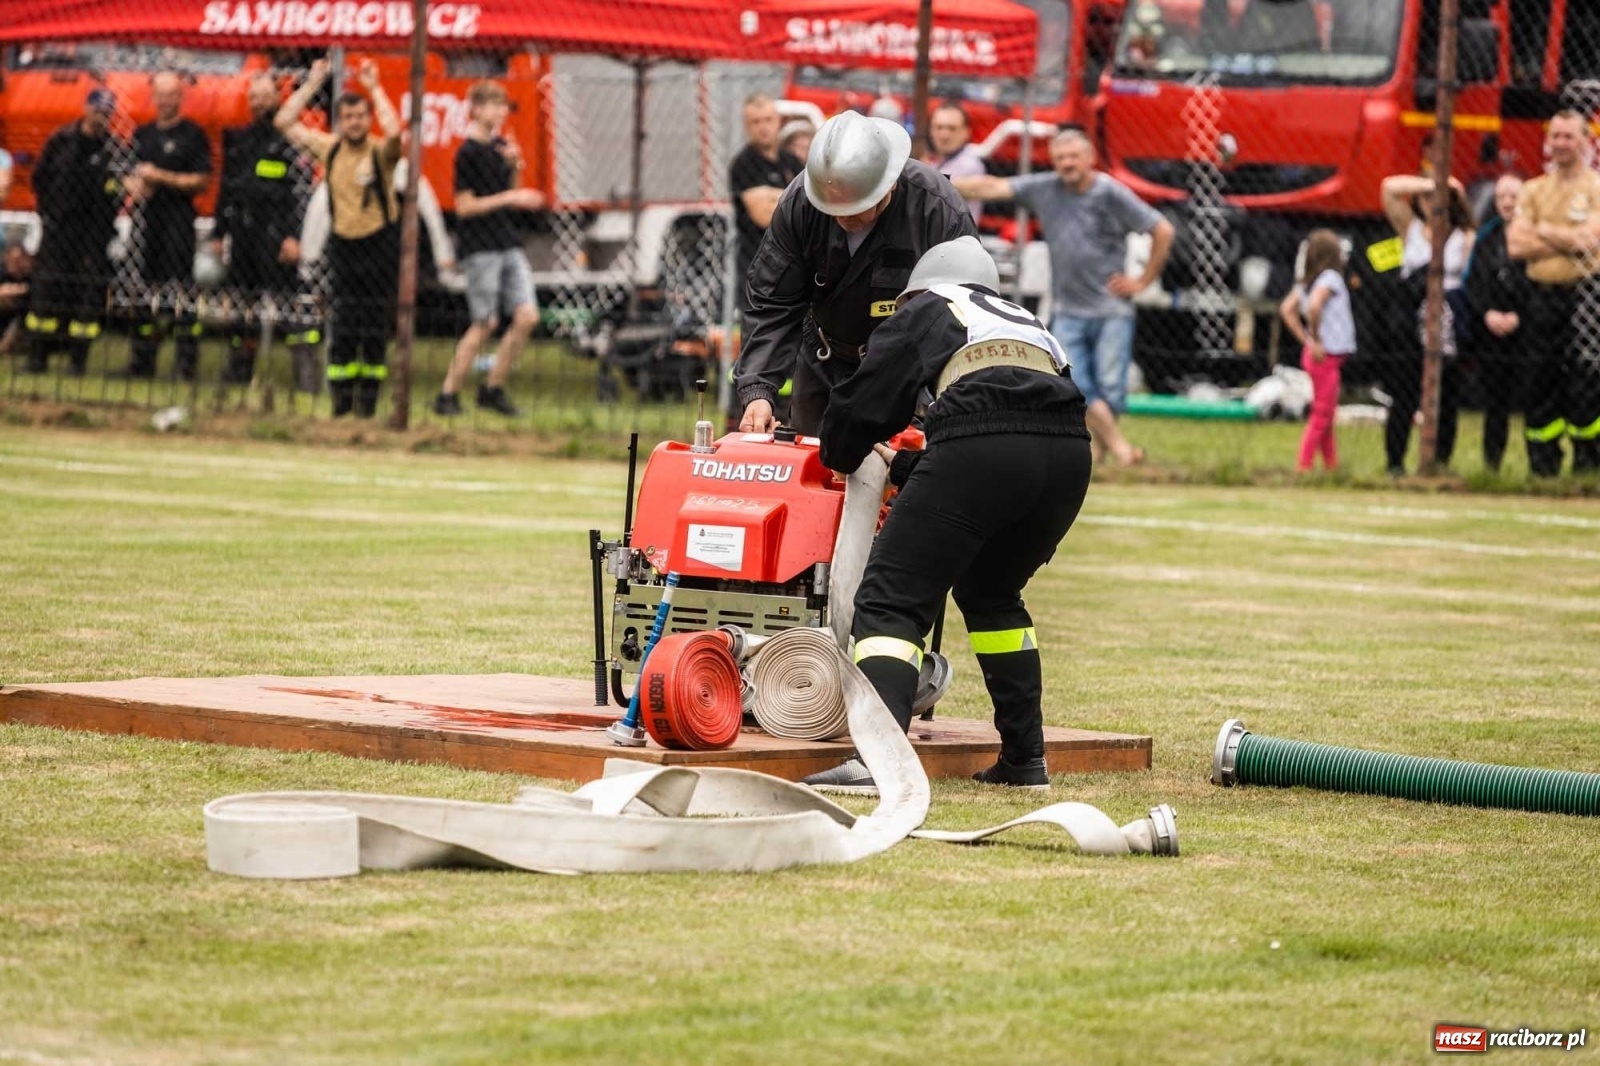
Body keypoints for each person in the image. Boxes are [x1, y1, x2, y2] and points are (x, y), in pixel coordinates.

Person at [800, 237, 1092, 794]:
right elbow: (1000, 433)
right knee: (991, 592)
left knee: (890, 599)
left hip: (984, 446)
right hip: (1068, 455)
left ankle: (876, 762)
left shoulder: (931, 309)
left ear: (917, 292)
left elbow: (862, 411)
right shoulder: (1025, 323)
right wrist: (911, 469)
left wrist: (843, 450)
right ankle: (1025, 760)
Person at [736, 110, 977, 436]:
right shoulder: (801, 204)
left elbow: (966, 312)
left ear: (888, 186)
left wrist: (940, 395)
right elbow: (772, 301)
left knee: (902, 474)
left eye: (853, 209)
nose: (842, 219)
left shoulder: (935, 210)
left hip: (908, 372)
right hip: (825, 357)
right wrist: (758, 392)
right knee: (813, 469)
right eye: (832, 210)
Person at [952, 128, 1173, 467]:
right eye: (1060, 158)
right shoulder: (1045, 189)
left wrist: (1143, 280)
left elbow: (1162, 229)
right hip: (1068, 309)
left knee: (1111, 388)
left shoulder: (1110, 192)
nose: (1067, 164)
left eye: (1073, 157)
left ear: (1090, 159)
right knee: (1078, 383)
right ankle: (1121, 449)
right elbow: (993, 187)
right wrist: (935, 180)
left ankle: (1098, 454)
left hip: (1112, 308)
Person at [276, 57, 402, 418]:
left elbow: (396, 134)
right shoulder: (330, 148)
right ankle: (341, 403)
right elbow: (285, 123)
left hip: (378, 245)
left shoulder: (379, 151)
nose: (355, 123)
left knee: (374, 326)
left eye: (360, 116)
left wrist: (375, 88)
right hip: (344, 246)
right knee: (343, 325)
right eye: (348, 117)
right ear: (340, 122)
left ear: (368, 119)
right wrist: (314, 84)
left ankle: (368, 405)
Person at [432, 81, 543, 418]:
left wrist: (515, 167)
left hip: (506, 241)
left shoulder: (500, 147)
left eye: (503, 106)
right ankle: (448, 393)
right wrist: (511, 197)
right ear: (476, 109)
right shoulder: (468, 153)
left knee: (527, 316)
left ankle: (493, 387)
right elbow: (465, 207)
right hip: (481, 247)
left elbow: (511, 193)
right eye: (493, 106)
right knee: (485, 322)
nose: (499, 112)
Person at [212, 73, 320, 390]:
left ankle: (305, 370)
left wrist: (294, 236)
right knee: (242, 302)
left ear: (278, 98)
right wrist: (219, 233)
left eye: (264, 95)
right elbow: (226, 189)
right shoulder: (239, 139)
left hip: (277, 232)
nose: (258, 102)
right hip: (243, 231)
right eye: (253, 97)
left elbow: (301, 192)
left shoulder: (291, 139)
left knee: (289, 301)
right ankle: (240, 366)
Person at [1507, 110, 1600, 476]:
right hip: (1540, 294)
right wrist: (1566, 239)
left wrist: (1541, 230)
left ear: (1585, 140)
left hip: (1587, 296)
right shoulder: (1533, 189)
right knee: (1539, 378)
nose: (1561, 143)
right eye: (1556, 136)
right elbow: (1516, 244)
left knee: (1586, 378)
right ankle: (1542, 466)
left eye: (1569, 136)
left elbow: (1591, 241)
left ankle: (1588, 463)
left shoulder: (1595, 187)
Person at [25, 88, 125, 377]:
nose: (101, 116)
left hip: (93, 234)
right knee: (47, 291)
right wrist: (48, 213)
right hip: (59, 229)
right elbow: (39, 178)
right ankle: (38, 356)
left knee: (87, 297)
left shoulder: (113, 148)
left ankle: (78, 360)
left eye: (107, 112)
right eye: (97, 110)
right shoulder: (61, 140)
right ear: (86, 108)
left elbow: (118, 192)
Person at [1378, 172, 1474, 473]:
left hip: (1449, 321)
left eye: (1440, 197)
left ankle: (1439, 463)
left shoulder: (1464, 237)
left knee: (1447, 396)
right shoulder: (1412, 230)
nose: (1432, 202)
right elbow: (1389, 189)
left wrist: (1454, 190)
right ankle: (1395, 463)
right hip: (1411, 321)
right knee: (1404, 396)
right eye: (1426, 197)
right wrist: (1431, 184)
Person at [123, 71, 213, 381]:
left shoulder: (192, 135)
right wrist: (135, 185)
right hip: (147, 221)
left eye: (171, 94)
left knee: (180, 291)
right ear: (154, 97)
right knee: (144, 292)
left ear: (180, 97)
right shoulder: (142, 134)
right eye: (160, 94)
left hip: (178, 221)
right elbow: (128, 172)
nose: (165, 100)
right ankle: (142, 361)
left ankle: (185, 363)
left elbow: (201, 181)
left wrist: (160, 177)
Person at [1463, 173, 1528, 473]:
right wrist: (1487, 313)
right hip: (1491, 332)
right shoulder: (1486, 237)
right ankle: (1492, 466)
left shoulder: (1533, 236)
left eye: (1513, 196)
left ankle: (1541, 467)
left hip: (1527, 330)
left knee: (1534, 397)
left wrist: (1520, 315)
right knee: (1495, 403)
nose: (1507, 203)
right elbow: (1473, 282)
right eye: (1501, 196)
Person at [1278, 229, 1354, 473]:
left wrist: (1306, 341)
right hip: (1326, 356)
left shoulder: (1307, 282)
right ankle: (1304, 465)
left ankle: (1331, 466)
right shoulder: (1330, 278)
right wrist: (1316, 339)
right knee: (1321, 415)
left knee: (1327, 415)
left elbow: (1287, 309)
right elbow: (1313, 306)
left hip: (1318, 356)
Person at [729, 94, 805, 315]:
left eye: (768, 120)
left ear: (778, 121)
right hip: (758, 267)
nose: (763, 127)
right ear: (747, 126)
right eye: (756, 121)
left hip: (794, 265)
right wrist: (792, 198)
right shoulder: (744, 164)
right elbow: (763, 215)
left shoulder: (790, 161)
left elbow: (811, 203)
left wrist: (773, 196)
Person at [925, 104, 985, 225]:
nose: (944, 135)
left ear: (966, 132)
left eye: (952, 128)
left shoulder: (969, 163)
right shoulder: (935, 161)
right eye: (939, 127)